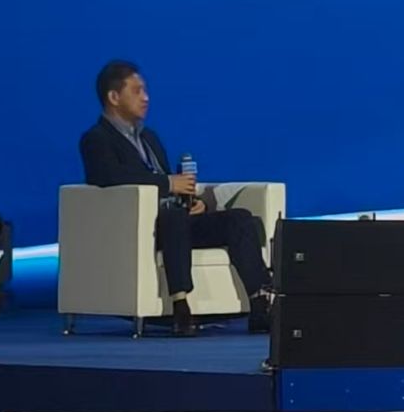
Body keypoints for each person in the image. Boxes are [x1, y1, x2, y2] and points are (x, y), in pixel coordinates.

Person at [78, 60, 272, 338]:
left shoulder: (149, 137)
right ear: (114, 97)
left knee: (240, 219)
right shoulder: (96, 139)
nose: (146, 98)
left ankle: (260, 303)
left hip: (175, 220)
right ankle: (181, 304)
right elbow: (108, 176)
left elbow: (167, 184)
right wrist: (169, 183)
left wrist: (192, 201)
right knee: (173, 217)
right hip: (139, 228)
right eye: (137, 91)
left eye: (145, 90)